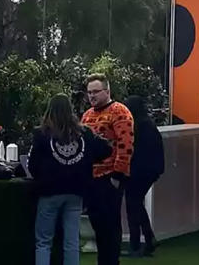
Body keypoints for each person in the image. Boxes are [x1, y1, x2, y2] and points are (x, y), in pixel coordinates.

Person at [29, 95, 112, 265]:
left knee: (44, 241)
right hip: (77, 191)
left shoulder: (42, 133)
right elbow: (106, 149)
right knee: (72, 241)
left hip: (49, 191)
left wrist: (42, 177)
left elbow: (32, 164)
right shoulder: (84, 132)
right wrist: (87, 161)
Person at [82, 74, 135, 265]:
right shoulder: (87, 115)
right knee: (97, 225)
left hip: (109, 178)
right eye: (89, 92)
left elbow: (126, 145)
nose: (92, 96)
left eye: (96, 91)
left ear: (107, 91)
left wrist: (117, 176)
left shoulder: (119, 112)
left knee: (110, 226)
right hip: (91, 178)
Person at [123, 96, 164, 258]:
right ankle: (148, 239)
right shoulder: (148, 124)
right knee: (136, 204)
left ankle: (136, 244)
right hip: (150, 170)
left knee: (133, 205)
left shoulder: (137, 125)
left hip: (139, 171)